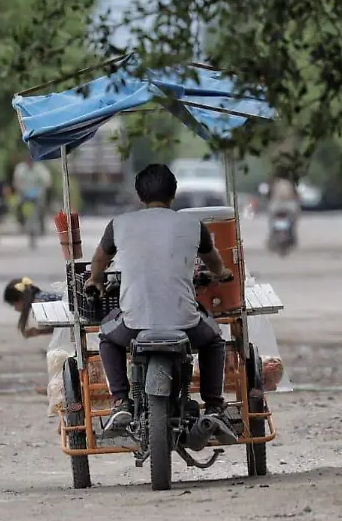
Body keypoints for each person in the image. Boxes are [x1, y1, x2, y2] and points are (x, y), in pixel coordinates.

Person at [84, 163, 233, 431]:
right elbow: (214, 262)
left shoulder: (119, 224)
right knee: (214, 340)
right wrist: (221, 273)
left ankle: (120, 401)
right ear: (173, 194)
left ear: (140, 196)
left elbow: (99, 260)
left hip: (134, 326)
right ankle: (213, 405)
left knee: (106, 337)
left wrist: (95, 279)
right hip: (186, 325)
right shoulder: (192, 224)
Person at [12, 155, 52, 232]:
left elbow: (47, 181)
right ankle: (21, 223)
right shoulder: (20, 168)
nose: (30, 163)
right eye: (28, 161)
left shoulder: (40, 168)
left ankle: (42, 227)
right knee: (18, 206)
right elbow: (16, 181)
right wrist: (19, 188)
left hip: (37, 194)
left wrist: (43, 188)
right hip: (24, 193)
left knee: (41, 208)